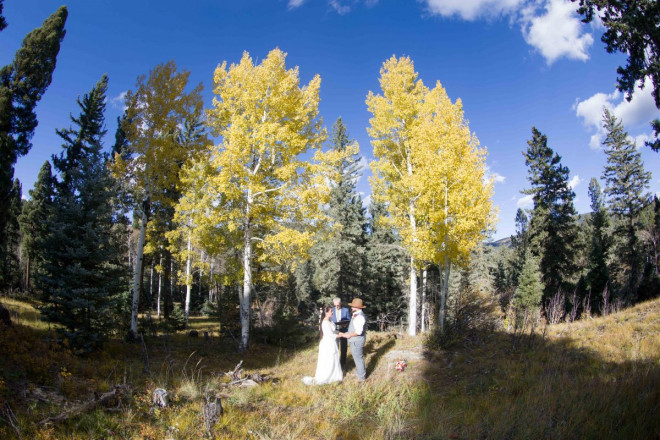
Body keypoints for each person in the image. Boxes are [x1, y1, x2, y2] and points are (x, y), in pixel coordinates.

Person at [302, 305, 343, 386]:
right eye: (331, 311)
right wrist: (340, 335)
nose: (332, 312)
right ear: (326, 313)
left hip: (332, 342)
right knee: (328, 361)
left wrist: (338, 332)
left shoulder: (330, 321)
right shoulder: (325, 323)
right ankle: (327, 376)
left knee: (333, 359)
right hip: (328, 344)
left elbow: (333, 331)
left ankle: (335, 376)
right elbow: (330, 335)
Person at [339, 298, 367, 381]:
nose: (351, 308)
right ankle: (359, 372)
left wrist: (349, 334)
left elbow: (358, 332)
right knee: (356, 357)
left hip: (356, 341)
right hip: (355, 340)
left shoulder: (360, 317)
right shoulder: (356, 315)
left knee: (358, 358)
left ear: (357, 307)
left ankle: (362, 377)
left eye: (353, 306)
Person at [329, 297, 350, 368]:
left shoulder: (346, 310)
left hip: (343, 330)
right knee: (335, 348)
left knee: (343, 348)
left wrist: (346, 324)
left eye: (337, 305)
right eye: (335, 305)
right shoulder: (331, 310)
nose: (336, 307)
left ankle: (343, 363)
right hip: (334, 331)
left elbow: (349, 320)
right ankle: (336, 363)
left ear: (340, 303)